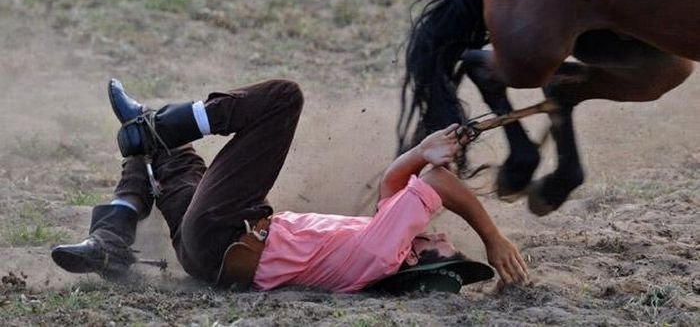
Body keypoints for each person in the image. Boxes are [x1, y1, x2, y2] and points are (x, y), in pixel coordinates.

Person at [51, 79, 528, 293]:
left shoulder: (388, 252)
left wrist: (492, 238)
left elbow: (440, 183)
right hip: (206, 259)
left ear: (418, 257)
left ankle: (172, 122)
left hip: (222, 234)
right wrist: (424, 150)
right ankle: (111, 235)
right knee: (162, 152)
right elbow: (394, 182)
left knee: (283, 98)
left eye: (445, 246)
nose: (445, 236)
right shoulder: (378, 251)